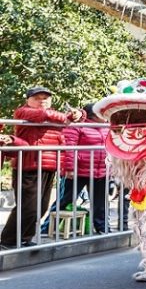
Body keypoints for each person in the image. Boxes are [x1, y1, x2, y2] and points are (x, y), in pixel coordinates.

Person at [0, 87, 84, 249]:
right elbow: (39, 115)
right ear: (28, 100)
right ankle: (8, 240)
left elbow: (74, 122)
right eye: (37, 97)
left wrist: (76, 115)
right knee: (28, 206)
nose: (42, 100)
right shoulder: (23, 112)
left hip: (49, 165)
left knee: (41, 207)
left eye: (46, 97)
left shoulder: (54, 116)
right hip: (28, 165)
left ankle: (24, 238)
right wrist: (63, 117)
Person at [54, 103, 110, 234]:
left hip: (100, 171)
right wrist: (70, 168)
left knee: (100, 202)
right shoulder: (77, 125)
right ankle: (47, 228)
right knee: (65, 200)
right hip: (78, 171)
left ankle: (102, 228)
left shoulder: (106, 127)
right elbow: (69, 148)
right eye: (101, 112)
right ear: (93, 115)